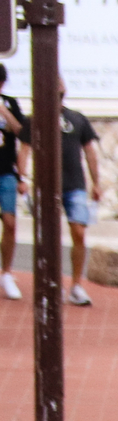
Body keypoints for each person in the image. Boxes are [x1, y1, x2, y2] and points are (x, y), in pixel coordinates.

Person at [59, 102, 100, 306]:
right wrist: (22, 178)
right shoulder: (36, 118)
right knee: (47, 237)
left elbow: (90, 151)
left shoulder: (77, 118)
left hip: (75, 184)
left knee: (79, 233)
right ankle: (51, 282)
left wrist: (96, 183)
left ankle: (76, 285)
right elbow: (25, 148)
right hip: (49, 186)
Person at [0, 67, 23, 301]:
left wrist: (4, 112)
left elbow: (20, 131)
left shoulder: (10, 103)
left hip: (6, 171)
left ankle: (6, 272)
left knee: (10, 222)